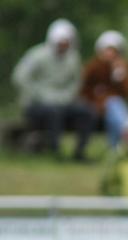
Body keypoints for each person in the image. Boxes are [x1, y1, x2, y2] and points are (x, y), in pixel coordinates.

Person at [11, 18, 95, 160]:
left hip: (64, 102)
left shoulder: (73, 58)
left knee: (87, 112)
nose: (64, 46)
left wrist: (67, 96)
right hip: (36, 105)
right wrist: (38, 94)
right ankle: (55, 152)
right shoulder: (37, 55)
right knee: (54, 112)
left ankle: (80, 152)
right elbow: (19, 77)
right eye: (61, 42)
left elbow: (77, 81)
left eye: (67, 43)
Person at [81, 30, 128, 149]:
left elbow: (127, 92)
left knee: (114, 107)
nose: (110, 54)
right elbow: (84, 88)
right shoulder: (94, 67)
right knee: (115, 108)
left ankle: (116, 147)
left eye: (113, 51)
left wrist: (119, 76)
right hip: (95, 107)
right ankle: (123, 145)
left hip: (115, 105)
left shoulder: (122, 66)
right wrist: (97, 100)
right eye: (107, 50)